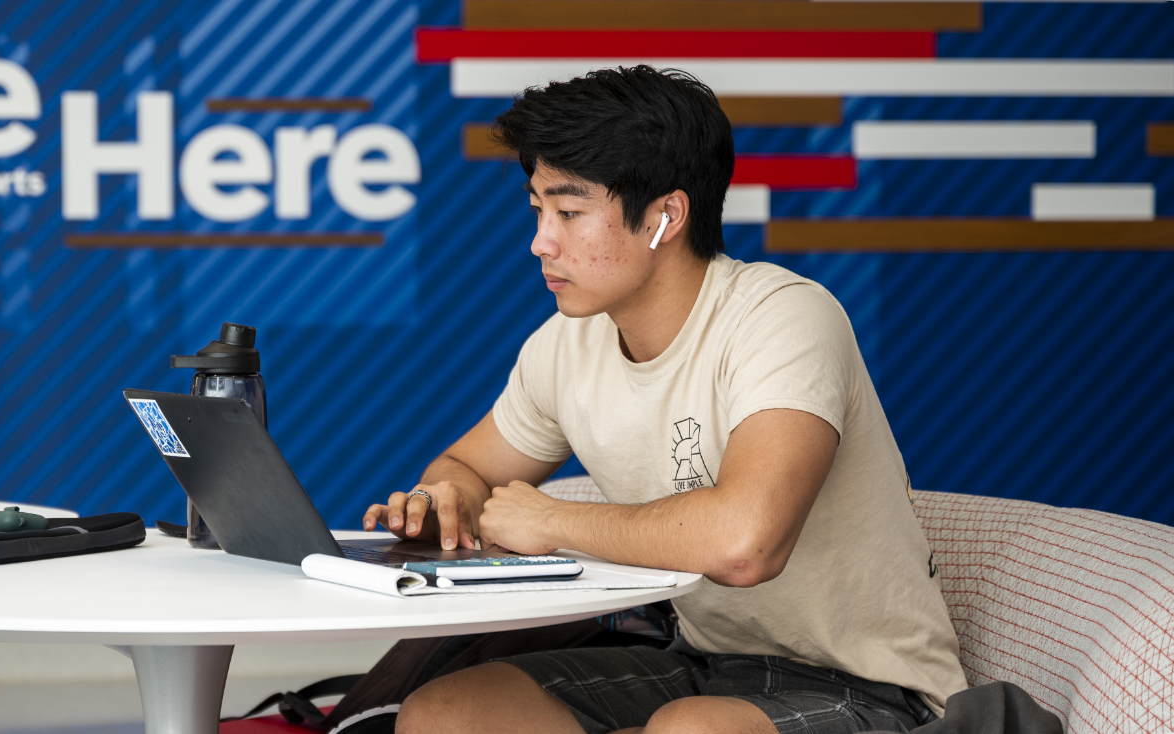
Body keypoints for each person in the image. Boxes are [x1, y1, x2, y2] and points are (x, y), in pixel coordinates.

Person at [362, 66, 968, 734]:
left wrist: (551, 521)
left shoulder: (784, 316)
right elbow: (468, 468)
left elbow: (746, 545)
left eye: (569, 213)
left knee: (690, 731)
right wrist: (444, 499)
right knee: (447, 712)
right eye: (538, 211)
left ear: (665, 217)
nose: (541, 241)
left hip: (870, 687)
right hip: (707, 664)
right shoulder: (564, 344)